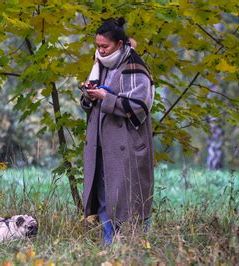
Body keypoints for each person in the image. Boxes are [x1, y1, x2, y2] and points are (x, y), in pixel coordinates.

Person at [80, 18, 155, 245]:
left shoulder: (135, 67)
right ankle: (109, 243)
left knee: (129, 199)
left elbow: (139, 108)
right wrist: (88, 93)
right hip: (101, 145)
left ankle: (135, 245)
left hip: (127, 147)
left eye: (105, 47)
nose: (100, 51)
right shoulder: (100, 66)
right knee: (104, 197)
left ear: (120, 44)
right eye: (98, 46)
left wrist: (106, 98)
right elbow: (88, 107)